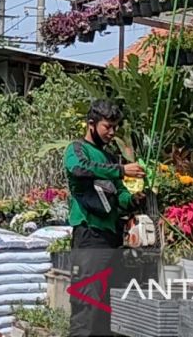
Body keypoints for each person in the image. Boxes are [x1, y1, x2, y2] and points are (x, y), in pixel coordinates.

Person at [64, 99, 145, 337]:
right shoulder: (77, 149)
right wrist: (121, 169)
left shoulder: (110, 157)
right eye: (107, 127)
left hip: (111, 238)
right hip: (89, 234)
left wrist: (132, 200)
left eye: (115, 127)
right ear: (91, 124)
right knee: (86, 304)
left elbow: (119, 195)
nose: (112, 132)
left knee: (105, 308)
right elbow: (79, 168)